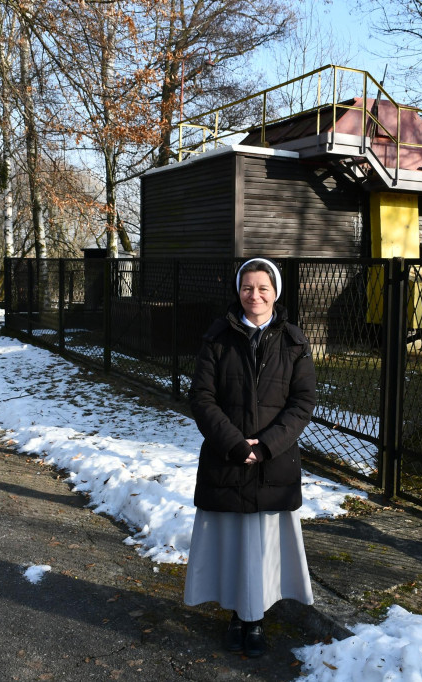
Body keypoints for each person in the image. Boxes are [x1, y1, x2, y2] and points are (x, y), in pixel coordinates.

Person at [184, 257, 317, 658]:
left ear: (275, 292)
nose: (254, 295)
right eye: (247, 287)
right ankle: (236, 615)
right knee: (233, 545)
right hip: (227, 460)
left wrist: (268, 446)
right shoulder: (218, 338)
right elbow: (201, 398)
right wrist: (236, 444)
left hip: (274, 464)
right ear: (237, 291)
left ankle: (255, 619)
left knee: (263, 545)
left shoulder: (294, 341)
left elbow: (303, 400)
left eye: (263, 288)